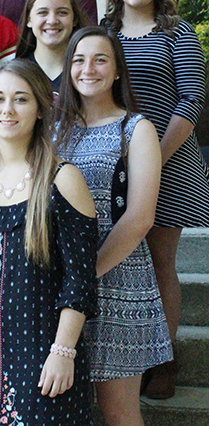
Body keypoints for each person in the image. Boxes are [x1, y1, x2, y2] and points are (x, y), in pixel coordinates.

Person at [0, 59, 99, 425]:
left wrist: (64, 351)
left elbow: (79, 278)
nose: (7, 110)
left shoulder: (63, 180)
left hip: (45, 354)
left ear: (41, 109)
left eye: (20, 99)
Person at [102, 0, 209, 399]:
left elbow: (191, 101)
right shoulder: (103, 33)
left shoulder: (178, 33)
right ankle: (122, 356)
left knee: (161, 262)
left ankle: (163, 362)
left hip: (171, 160)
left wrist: (153, 159)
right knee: (121, 261)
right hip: (112, 163)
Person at [56, 26, 173, 426]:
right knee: (60, 406)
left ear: (118, 69)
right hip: (60, 282)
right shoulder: (54, 128)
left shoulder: (136, 129)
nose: (88, 68)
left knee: (118, 411)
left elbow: (140, 218)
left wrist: (84, 277)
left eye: (100, 59)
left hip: (119, 282)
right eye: (78, 59)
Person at [16, 0, 88, 100]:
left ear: (74, 19)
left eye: (62, 13)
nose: (52, 21)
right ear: (29, 19)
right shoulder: (17, 72)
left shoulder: (87, 70)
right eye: (43, 12)